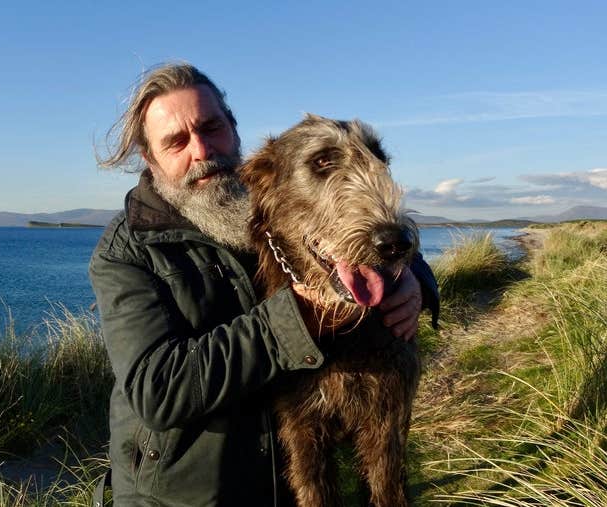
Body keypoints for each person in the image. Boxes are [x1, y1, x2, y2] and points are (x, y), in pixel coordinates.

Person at [89, 63, 439, 506]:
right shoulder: (127, 251)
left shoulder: (264, 193)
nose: (201, 150)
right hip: (186, 494)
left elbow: (356, 223)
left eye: (211, 127)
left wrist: (412, 276)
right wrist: (297, 319)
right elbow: (157, 391)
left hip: (282, 481)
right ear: (150, 158)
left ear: (233, 129)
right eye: (176, 141)